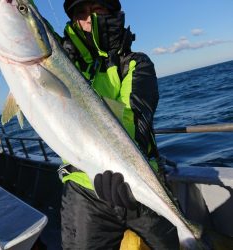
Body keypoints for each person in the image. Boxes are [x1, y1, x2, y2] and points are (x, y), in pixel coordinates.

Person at [58, 0, 180, 249]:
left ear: (112, 13)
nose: (88, 19)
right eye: (80, 13)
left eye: (96, 10)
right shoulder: (62, 69)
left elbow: (134, 117)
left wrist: (121, 168)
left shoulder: (135, 63)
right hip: (85, 188)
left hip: (143, 184)